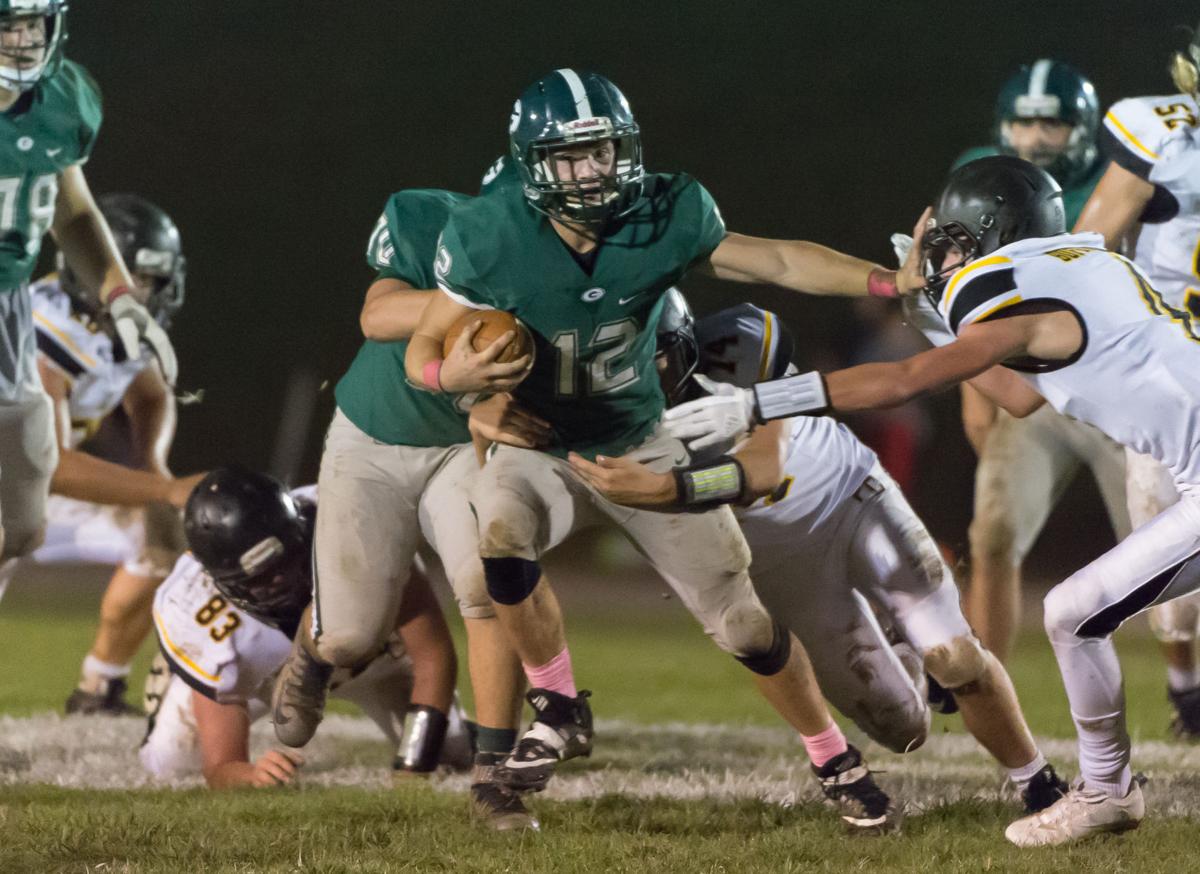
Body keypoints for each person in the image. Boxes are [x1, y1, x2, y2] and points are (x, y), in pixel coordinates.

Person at [405, 68, 926, 830]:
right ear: (532, 165)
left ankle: (833, 757)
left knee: (743, 624)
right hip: (543, 439)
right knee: (502, 537)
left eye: (607, 151)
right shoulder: (488, 235)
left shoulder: (667, 210)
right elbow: (424, 345)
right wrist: (451, 378)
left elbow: (775, 259)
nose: (596, 172)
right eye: (573, 158)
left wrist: (884, 279)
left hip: (641, 434)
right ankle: (556, 702)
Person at [663, 154, 1200, 845]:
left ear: (991, 233)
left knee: (1072, 613)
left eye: (953, 239)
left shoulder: (1006, 289)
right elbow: (1019, 394)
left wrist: (761, 400)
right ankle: (1107, 790)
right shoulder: (1088, 265)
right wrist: (931, 315)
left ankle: (1106, 792)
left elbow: (908, 380)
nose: (940, 255)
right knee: (1078, 613)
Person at [567, 291, 1067, 813]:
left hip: (850, 496)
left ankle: (1038, 783)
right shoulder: (598, 426)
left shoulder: (740, 343)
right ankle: (896, 634)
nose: (644, 377)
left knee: (957, 658)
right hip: (781, 564)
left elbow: (763, 469)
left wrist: (672, 489)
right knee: (906, 728)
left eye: (656, 355)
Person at [272, 187, 535, 830]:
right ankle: (310, 658)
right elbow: (379, 314)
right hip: (374, 440)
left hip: (464, 447)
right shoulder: (429, 218)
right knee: (352, 636)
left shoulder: (586, 268)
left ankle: (495, 778)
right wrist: (476, 308)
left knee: (489, 586)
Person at [948, 60, 1130, 662]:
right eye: (1023, 123)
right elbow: (972, 304)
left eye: (1051, 122)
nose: (1034, 138)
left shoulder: (1126, 169)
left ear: (1081, 126)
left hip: (1118, 394)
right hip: (1033, 391)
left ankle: (1187, 682)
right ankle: (985, 681)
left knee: (1164, 546)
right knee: (992, 537)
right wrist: (978, 399)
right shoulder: (984, 174)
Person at [0, 2, 175, 608]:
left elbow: (72, 208)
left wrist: (119, 292)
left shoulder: (65, 97)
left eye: (33, 24)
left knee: (19, 525)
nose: (23, 39)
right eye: (6, 25)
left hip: (10, 308)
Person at [142, 468, 472, 787]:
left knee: (449, 752)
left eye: (283, 562)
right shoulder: (196, 611)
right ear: (221, 583)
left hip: (372, 659)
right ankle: (189, 679)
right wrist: (252, 775)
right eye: (258, 579)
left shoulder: (354, 525)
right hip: (264, 677)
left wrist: (414, 763)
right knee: (172, 761)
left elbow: (432, 654)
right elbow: (222, 767)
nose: (279, 581)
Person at [11, 193, 199, 715]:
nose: (144, 292)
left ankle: (100, 686)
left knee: (159, 539)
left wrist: (154, 467)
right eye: (132, 277)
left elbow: (151, 394)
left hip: (19, 490)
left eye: (153, 280)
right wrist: (165, 487)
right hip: (21, 485)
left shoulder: (113, 320)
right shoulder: (39, 329)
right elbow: (50, 465)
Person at [1073, 28, 1200, 738]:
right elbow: (1088, 250)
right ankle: (1187, 684)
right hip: (1171, 376)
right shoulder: (1160, 135)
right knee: (1167, 548)